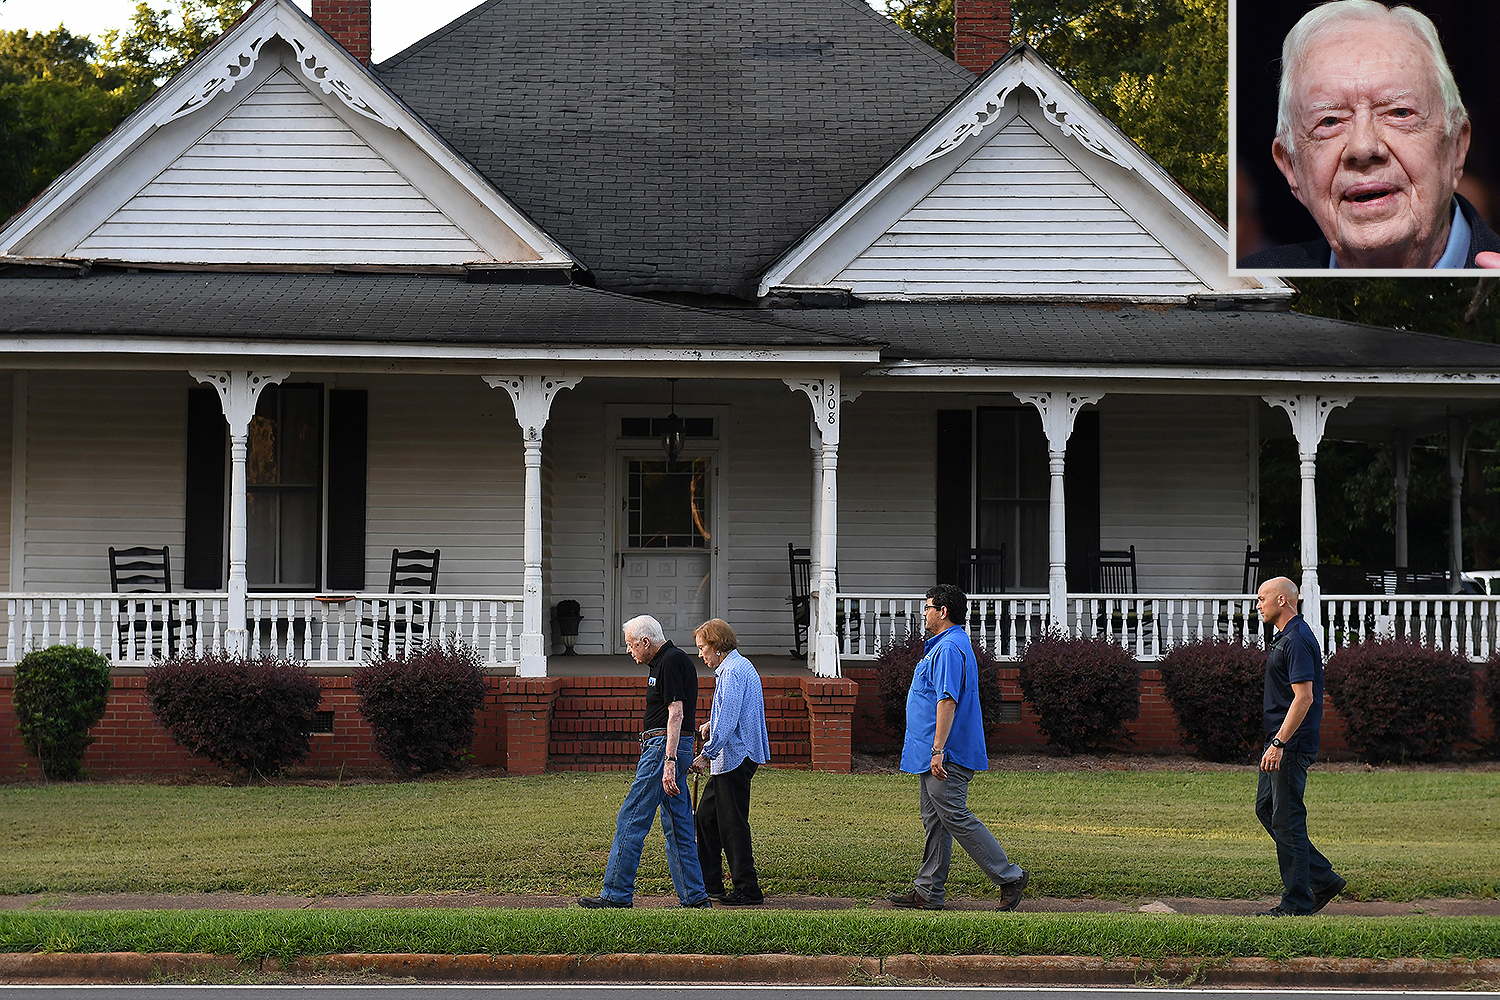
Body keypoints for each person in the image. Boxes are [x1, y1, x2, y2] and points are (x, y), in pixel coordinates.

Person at [1238, 1, 1500, 270]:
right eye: (1330, 121)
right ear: (1292, 167)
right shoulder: (1252, 280)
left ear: (1457, 147)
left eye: (1399, 113)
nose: (1363, 148)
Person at [889, 584, 1029, 912]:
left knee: (954, 815)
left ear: (943, 611)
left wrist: (938, 749)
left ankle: (1009, 876)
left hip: (945, 754)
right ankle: (928, 891)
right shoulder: (946, 645)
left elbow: (947, 700)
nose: (924, 613)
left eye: (928, 607)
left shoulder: (949, 648)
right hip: (933, 752)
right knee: (936, 821)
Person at [578, 614, 711, 909]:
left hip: (662, 748)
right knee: (678, 825)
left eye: (631, 645)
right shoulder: (668, 661)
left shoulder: (670, 661)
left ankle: (616, 894)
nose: (629, 650)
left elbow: (676, 713)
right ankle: (695, 899)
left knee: (632, 817)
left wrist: (669, 761)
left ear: (646, 641)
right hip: (672, 746)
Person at [1254, 577, 1346, 917]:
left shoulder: (1297, 640)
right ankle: (1323, 878)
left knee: (1288, 819)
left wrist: (1280, 742)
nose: (1258, 605)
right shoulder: (1286, 637)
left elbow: (1303, 697)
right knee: (1267, 809)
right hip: (1279, 741)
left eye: (1262, 598)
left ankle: (1297, 901)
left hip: (1289, 745)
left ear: (1282, 600)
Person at [688, 618, 771, 906]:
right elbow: (732, 712)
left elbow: (729, 718)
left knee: (732, 824)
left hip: (735, 756)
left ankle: (748, 889)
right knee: (706, 817)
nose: (700, 654)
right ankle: (710, 883)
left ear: (717, 646)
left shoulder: (733, 672)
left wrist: (706, 754)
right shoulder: (738, 666)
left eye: (702, 648)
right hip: (737, 754)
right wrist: (712, 724)